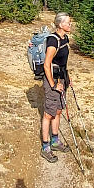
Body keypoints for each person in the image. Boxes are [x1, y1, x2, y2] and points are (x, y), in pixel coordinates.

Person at [40, 12, 73, 162]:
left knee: (58, 111)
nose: (70, 24)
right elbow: (47, 65)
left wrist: (67, 77)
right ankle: (45, 147)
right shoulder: (53, 41)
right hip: (52, 80)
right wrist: (53, 85)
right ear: (60, 25)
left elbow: (63, 62)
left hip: (61, 79)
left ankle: (55, 141)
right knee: (49, 113)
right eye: (68, 23)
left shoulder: (65, 38)